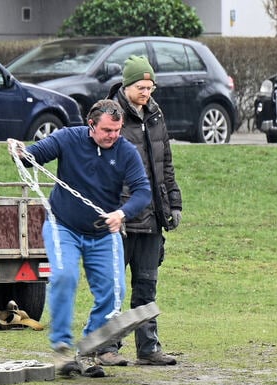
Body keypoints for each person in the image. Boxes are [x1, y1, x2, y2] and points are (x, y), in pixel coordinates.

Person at [12, 99, 151, 377]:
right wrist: (19, 151)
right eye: (107, 130)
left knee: (115, 292)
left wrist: (122, 214)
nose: (114, 135)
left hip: (103, 231)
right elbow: (34, 156)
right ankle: (62, 347)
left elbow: (143, 191)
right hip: (63, 226)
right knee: (64, 277)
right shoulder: (68, 137)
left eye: (117, 130)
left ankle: (89, 347)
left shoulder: (125, 152)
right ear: (91, 125)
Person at [94, 55, 182, 367]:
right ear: (127, 86)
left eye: (150, 87)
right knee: (114, 287)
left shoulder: (156, 115)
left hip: (152, 217)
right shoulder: (109, 116)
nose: (146, 93)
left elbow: (165, 164)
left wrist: (174, 202)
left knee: (147, 284)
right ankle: (108, 347)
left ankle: (148, 347)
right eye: (141, 87)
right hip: (120, 218)